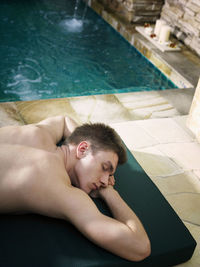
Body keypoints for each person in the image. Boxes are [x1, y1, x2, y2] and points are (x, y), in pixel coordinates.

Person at [0, 116, 151, 261]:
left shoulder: (37, 133)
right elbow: (139, 247)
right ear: (83, 148)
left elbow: (64, 119)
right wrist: (111, 193)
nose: (106, 181)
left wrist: (84, 144)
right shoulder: (58, 188)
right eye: (104, 167)